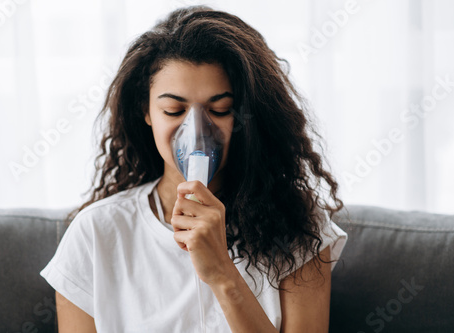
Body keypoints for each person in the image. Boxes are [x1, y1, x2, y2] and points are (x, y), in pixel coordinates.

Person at [40, 5, 348, 333]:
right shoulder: (96, 234)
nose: (197, 132)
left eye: (220, 109)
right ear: (146, 111)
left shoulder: (300, 227)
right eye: (174, 110)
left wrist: (222, 274)